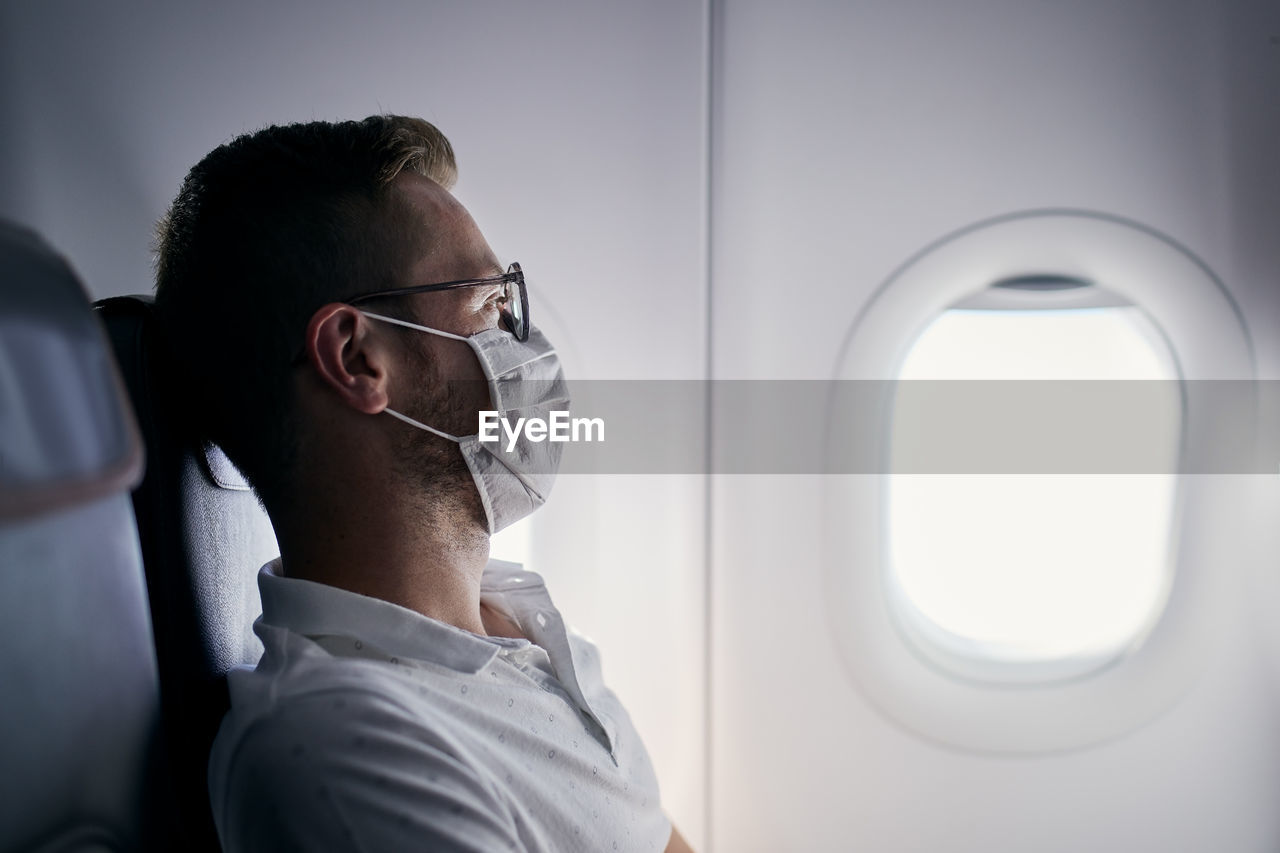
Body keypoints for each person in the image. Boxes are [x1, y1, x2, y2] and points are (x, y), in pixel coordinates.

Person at [154, 115, 693, 853]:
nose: (524, 346)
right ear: (357, 358)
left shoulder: (523, 624)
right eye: (490, 306)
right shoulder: (342, 748)